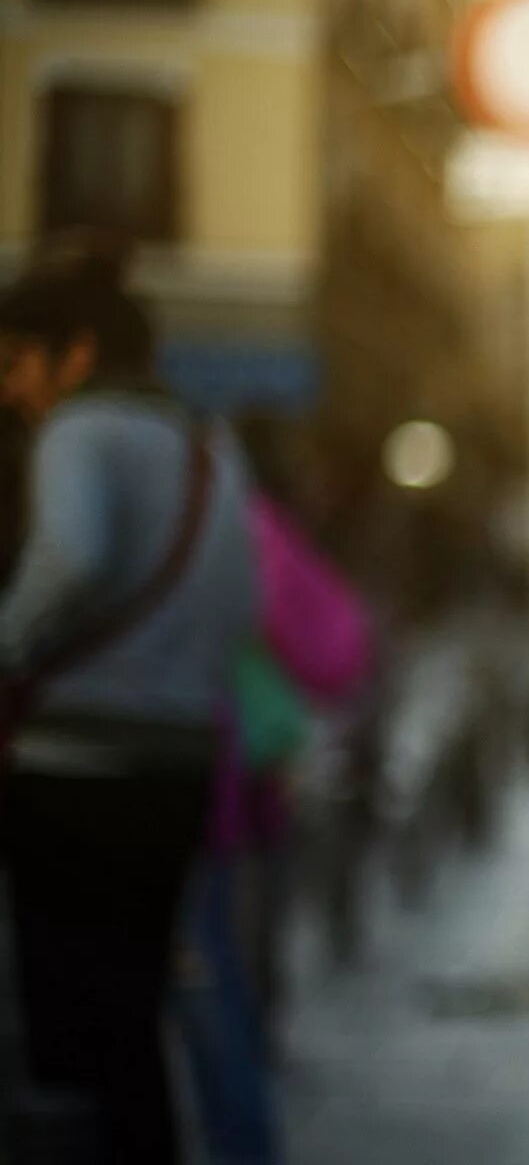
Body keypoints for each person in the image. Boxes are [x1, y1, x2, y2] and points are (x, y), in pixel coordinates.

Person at [0, 239, 257, 1164]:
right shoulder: (210, 446)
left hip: (76, 772)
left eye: (16, 363)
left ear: (72, 354)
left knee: (65, 1030)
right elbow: (244, 604)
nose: (10, 391)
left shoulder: (79, 430)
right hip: (180, 767)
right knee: (132, 1019)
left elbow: (72, 554)